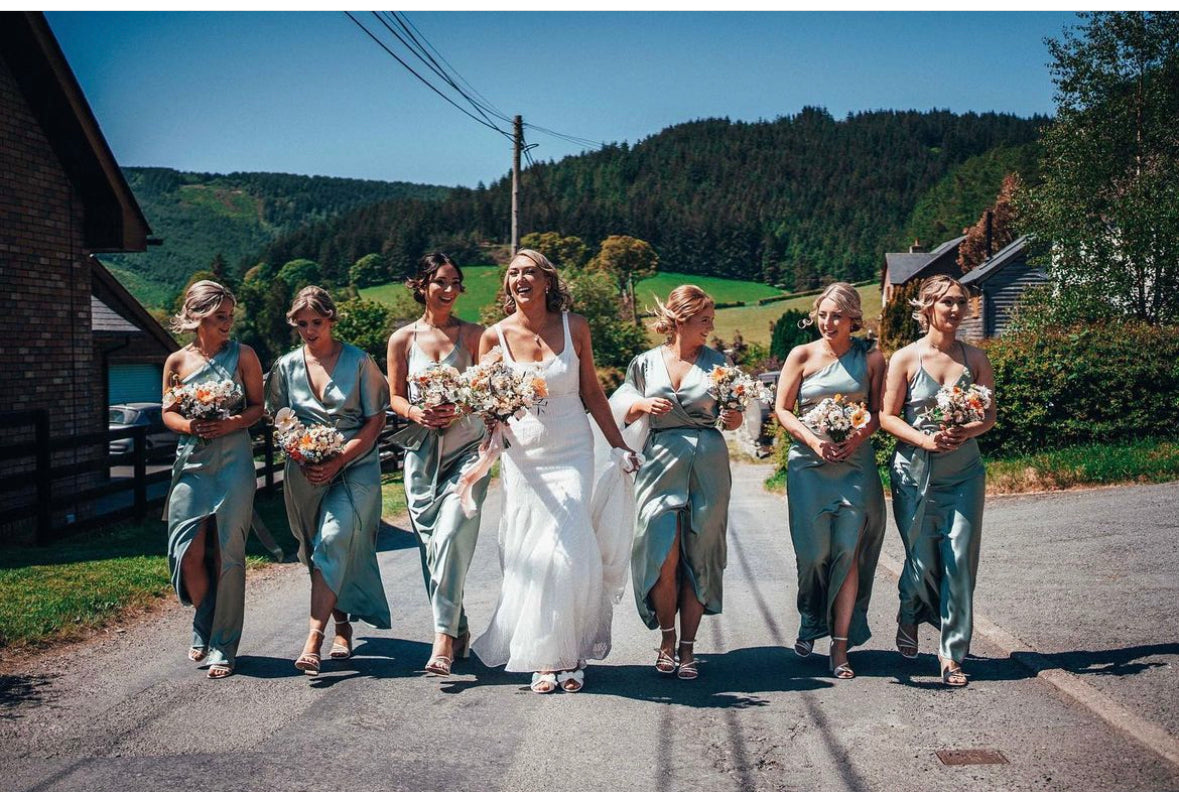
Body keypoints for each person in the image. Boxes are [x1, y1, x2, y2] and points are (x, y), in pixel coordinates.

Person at [470, 249, 637, 694]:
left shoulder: (575, 326)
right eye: (512, 274)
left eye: (528, 272)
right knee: (538, 553)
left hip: (573, 449)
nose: (519, 279)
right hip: (525, 456)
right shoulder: (493, 338)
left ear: (547, 281)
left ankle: (570, 650)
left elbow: (593, 393)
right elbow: (485, 402)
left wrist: (619, 446)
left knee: (569, 546)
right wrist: (491, 415)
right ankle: (548, 655)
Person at [614, 285, 741, 681]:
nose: (710, 326)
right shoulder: (645, 363)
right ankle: (667, 639)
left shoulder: (720, 364)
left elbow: (732, 419)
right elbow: (620, 404)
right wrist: (642, 405)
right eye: (704, 319)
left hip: (708, 461)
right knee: (660, 552)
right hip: (660, 458)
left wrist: (735, 411)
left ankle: (688, 649)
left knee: (700, 554)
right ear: (681, 318)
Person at [266, 286, 391, 676]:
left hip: (354, 464)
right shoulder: (285, 367)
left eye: (316, 322)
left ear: (331, 320)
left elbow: (376, 420)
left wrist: (339, 459)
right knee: (317, 547)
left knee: (335, 538)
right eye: (301, 324)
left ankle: (313, 638)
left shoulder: (358, 361)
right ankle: (341, 624)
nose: (308, 330)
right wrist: (300, 451)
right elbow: (279, 417)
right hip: (305, 468)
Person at [879, 274, 996, 687]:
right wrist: (925, 439)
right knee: (921, 563)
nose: (955, 310)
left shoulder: (976, 358)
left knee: (960, 561)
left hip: (964, 474)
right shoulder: (905, 359)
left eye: (961, 302)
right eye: (946, 302)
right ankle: (909, 612)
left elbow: (989, 417)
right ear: (927, 306)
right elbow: (887, 417)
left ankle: (951, 654)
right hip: (915, 474)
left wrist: (968, 430)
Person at [773, 282, 885, 680]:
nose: (828, 321)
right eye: (823, 313)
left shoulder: (870, 357)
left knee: (848, 552)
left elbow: (876, 411)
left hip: (855, 466)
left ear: (853, 318)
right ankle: (809, 616)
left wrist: (854, 437)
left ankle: (840, 646)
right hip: (808, 465)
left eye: (837, 315)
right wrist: (814, 440)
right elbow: (783, 410)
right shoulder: (800, 355)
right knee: (814, 554)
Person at [387, 253, 487, 677]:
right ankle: (459, 626)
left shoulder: (477, 336)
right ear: (422, 286)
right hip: (422, 457)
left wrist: (462, 402)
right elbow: (394, 397)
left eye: (454, 282)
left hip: (469, 451)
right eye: (440, 282)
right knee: (432, 547)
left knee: (448, 536)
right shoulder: (402, 339)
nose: (449, 290)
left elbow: (490, 390)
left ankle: (442, 637)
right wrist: (417, 414)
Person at [162, 280, 265, 679]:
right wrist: (190, 423)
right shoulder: (176, 361)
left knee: (228, 554)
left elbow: (258, 407)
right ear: (198, 317)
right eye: (220, 317)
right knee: (186, 551)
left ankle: (223, 645)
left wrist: (231, 423)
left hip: (234, 461)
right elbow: (167, 412)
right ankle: (204, 619)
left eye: (230, 317)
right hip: (190, 463)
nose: (228, 324)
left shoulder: (245, 355)